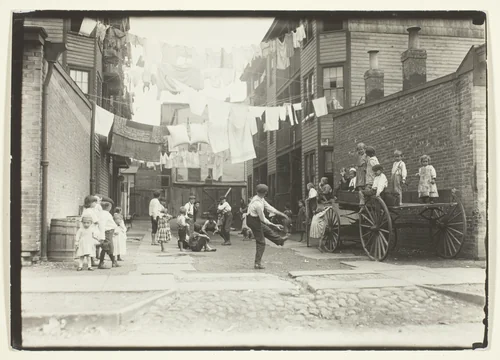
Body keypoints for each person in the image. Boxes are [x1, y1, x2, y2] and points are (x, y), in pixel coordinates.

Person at [246, 184, 288, 270]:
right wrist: (275, 225)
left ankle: (280, 240)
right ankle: (257, 264)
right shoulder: (257, 203)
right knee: (261, 242)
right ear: (265, 193)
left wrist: (281, 213)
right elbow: (263, 219)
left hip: (254, 219)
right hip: (253, 221)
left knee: (267, 230)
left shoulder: (260, 198)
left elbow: (269, 207)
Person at [98, 202, 119, 269]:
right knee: (106, 247)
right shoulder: (105, 214)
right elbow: (102, 225)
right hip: (107, 232)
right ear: (109, 207)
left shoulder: (102, 213)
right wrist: (102, 236)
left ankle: (113, 262)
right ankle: (101, 263)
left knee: (109, 247)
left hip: (109, 232)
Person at [81, 195, 101, 266]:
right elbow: (96, 221)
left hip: (85, 230)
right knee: (92, 246)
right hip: (91, 230)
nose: (96, 204)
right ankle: (92, 261)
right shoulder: (91, 211)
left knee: (90, 246)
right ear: (91, 203)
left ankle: (91, 261)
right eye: (94, 202)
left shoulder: (85, 210)